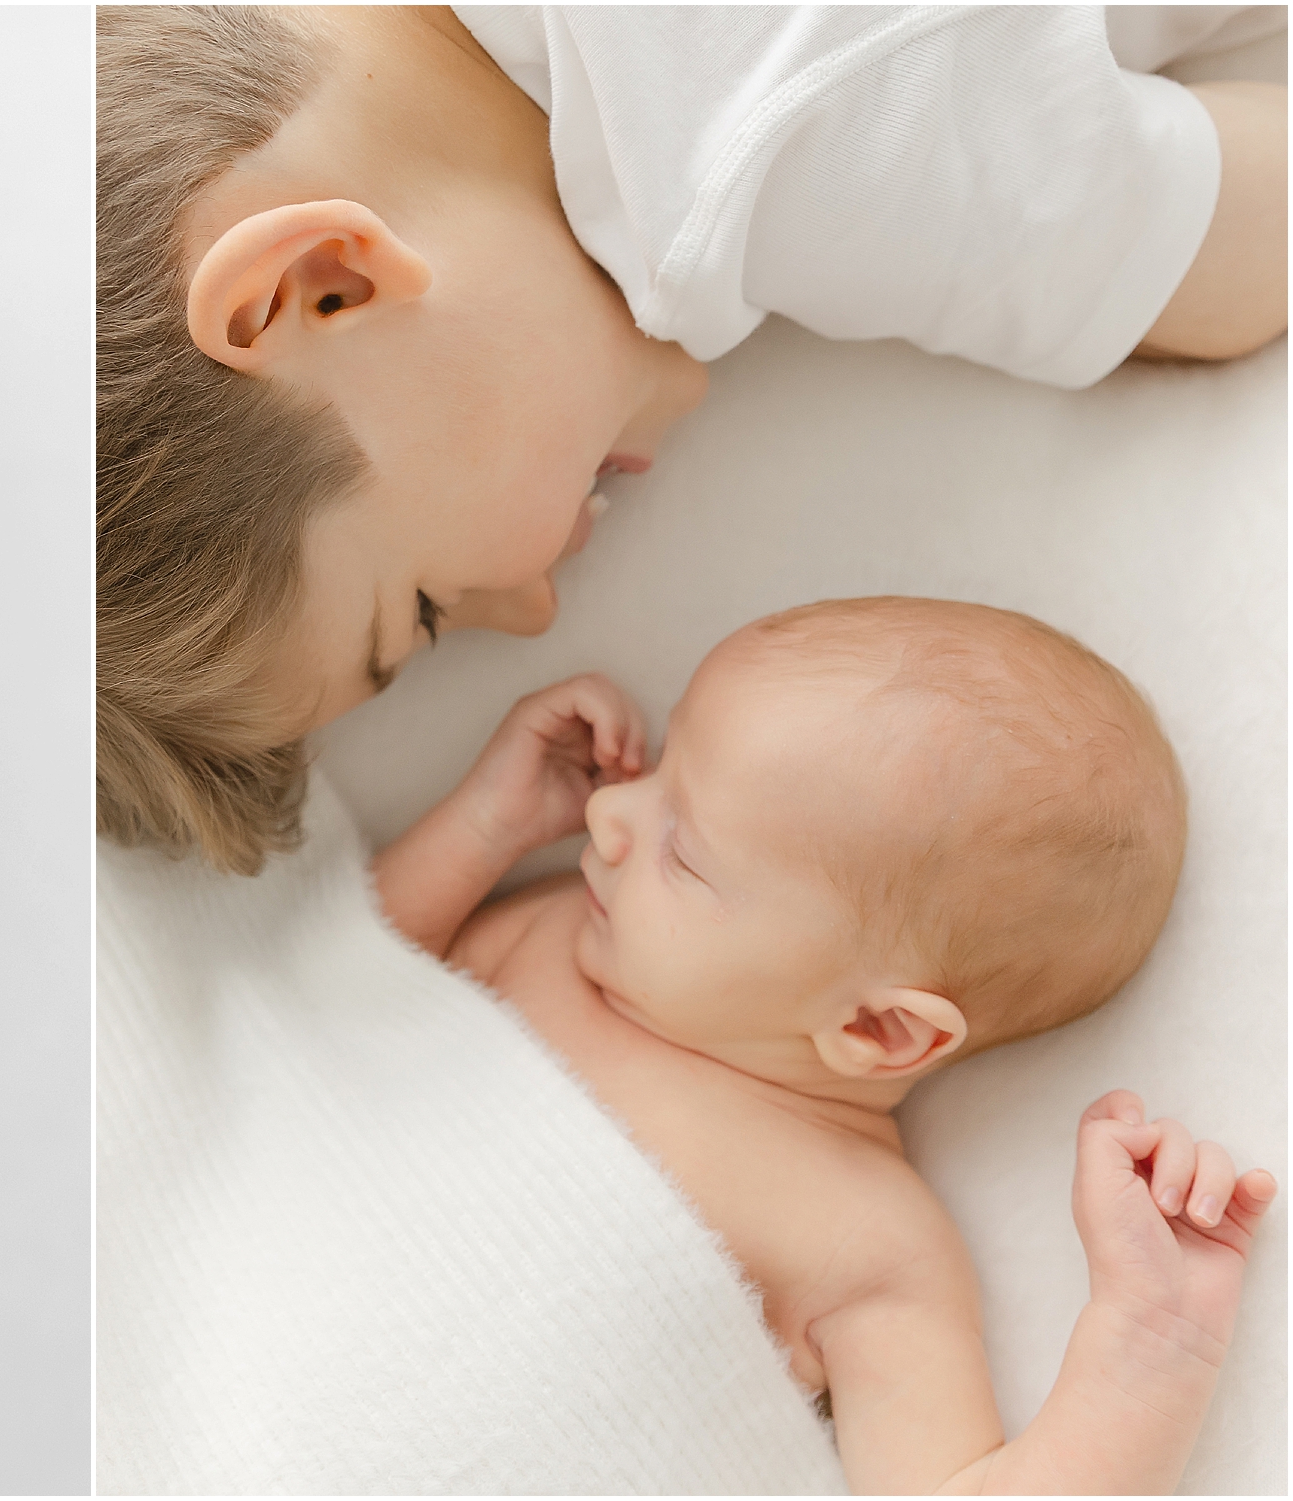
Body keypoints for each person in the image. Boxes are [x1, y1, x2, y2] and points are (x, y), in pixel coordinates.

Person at [96, 5, 1288, 875]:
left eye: (424, 609)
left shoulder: (767, 145)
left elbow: (1248, 241)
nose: (534, 608)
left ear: (322, 287)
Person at [373, 596, 1272, 1493]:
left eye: (683, 853)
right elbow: (343, 991)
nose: (610, 810)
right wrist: (485, 824)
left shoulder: (870, 1243)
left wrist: (1154, 1345)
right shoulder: (558, 930)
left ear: (876, 1028)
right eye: (665, 764)